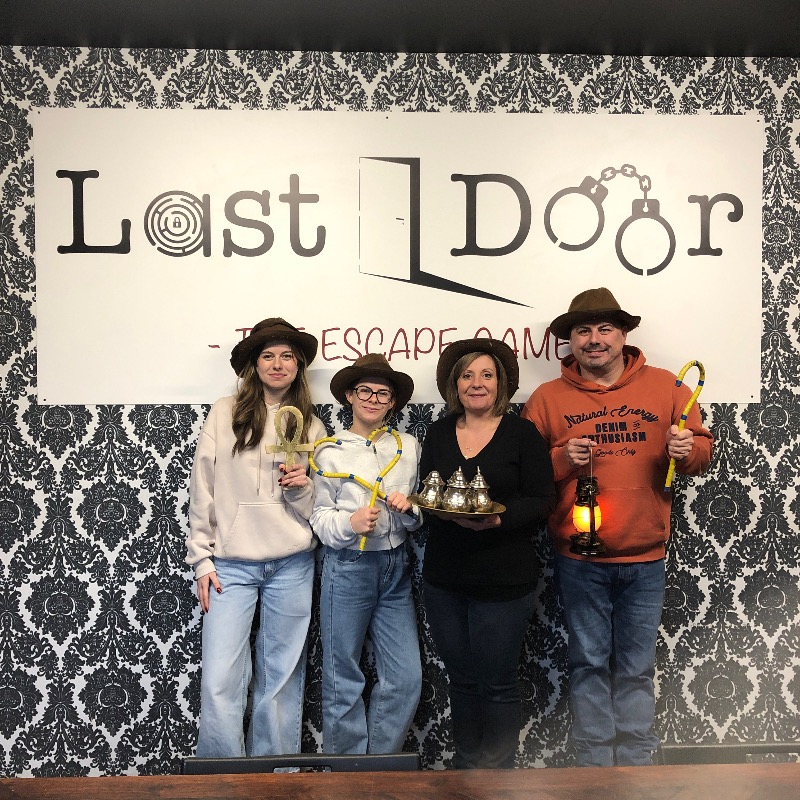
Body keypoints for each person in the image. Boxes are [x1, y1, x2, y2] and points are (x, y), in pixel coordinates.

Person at [522, 287, 713, 767]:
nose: (594, 339)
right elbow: (525, 473)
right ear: (570, 341)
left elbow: (701, 453)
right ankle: (593, 766)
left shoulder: (668, 386)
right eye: (583, 331)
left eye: (605, 329)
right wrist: (561, 458)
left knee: (637, 668)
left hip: (646, 556)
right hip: (578, 558)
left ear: (623, 335)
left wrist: (687, 450)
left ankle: (637, 764)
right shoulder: (546, 398)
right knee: (587, 663)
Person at [186, 317, 326, 758]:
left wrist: (301, 488)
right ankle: (223, 779)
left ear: (298, 366)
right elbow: (203, 486)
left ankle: (277, 778)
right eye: (268, 355)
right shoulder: (224, 412)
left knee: (281, 679)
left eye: (287, 356)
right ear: (254, 364)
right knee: (220, 679)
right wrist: (201, 558)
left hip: (292, 563)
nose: (278, 364)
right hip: (230, 565)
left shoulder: (312, 426)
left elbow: (317, 509)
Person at [419, 338, 556, 769]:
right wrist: (440, 512)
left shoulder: (522, 433)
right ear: (454, 384)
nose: (476, 383)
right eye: (467, 375)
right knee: (461, 680)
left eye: (486, 375)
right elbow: (429, 493)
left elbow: (542, 499)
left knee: (497, 684)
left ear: (501, 384)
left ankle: (497, 779)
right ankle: (466, 773)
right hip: (445, 578)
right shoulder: (438, 432)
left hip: (504, 579)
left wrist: (499, 519)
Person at [309, 353, 423, 754]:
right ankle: (346, 774)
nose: (373, 399)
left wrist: (409, 512)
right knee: (342, 676)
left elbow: (419, 511)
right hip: (348, 567)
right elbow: (318, 517)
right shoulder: (328, 451)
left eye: (383, 393)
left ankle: (378, 768)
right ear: (349, 396)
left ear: (393, 402)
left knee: (406, 678)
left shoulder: (408, 447)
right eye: (365, 391)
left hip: (396, 568)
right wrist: (349, 524)